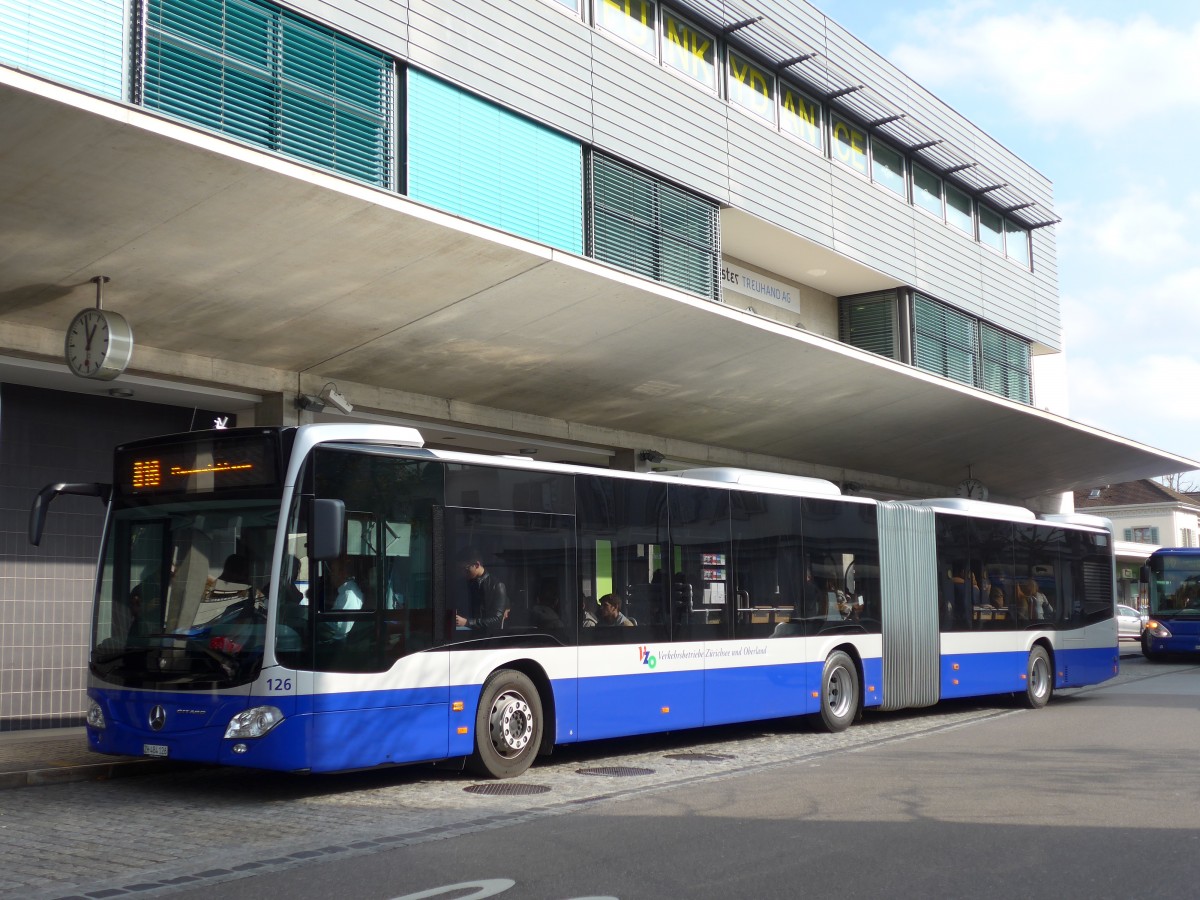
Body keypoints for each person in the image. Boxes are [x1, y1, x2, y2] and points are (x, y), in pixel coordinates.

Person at [456, 549, 509, 634]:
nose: (463, 573)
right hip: (463, 635)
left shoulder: (497, 586)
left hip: (485, 638)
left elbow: (496, 620)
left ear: (477, 565)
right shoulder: (461, 584)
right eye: (459, 569)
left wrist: (467, 622)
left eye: (465, 569)